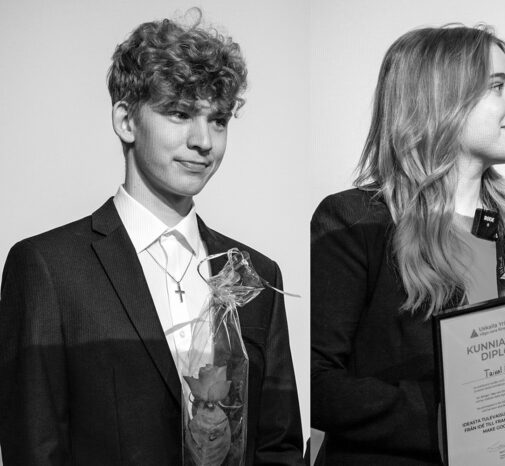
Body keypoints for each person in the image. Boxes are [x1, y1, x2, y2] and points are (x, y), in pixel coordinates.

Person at [0, 10, 303, 464]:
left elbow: (279, 446)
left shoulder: (255, 273)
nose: (204, 141)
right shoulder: (48, 267)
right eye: (180, 113)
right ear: (126, 120)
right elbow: (34, 447)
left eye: (219, 120)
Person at [311, 25, 505, 464]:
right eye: (497, 86)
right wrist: (446, 419)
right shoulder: (355, 223)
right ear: (439, 101)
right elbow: (315, 381)